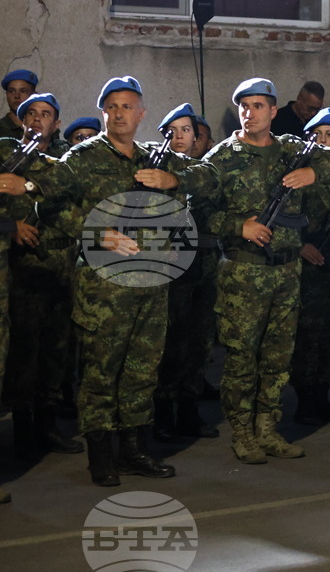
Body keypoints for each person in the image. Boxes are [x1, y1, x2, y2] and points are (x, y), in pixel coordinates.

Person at [63, 76, 217, 486]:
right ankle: (101, 456)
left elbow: (212, 178)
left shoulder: (155, 158)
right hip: (104, 289)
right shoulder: (81, 158)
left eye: (127, 107)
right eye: (111, 107)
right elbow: (48, 207)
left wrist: (173, 180)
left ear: (142, 114)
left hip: (150, 285)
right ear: (103, 113)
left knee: (142, 370)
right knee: (101, 371)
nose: (118, 114)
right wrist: (95, 233)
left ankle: (134, 450)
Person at [205, 78, 330, 463]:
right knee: (241, 358)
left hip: (286, 272)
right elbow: (197, 210)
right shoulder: (222, 157)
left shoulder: (293, 151)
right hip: (243, 273)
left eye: (258, 106)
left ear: (273, 111)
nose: (250, 113)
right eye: (244, 106)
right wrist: (239, 226)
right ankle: (243, 433)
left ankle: (268, 429)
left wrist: (313, 174)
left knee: (278, 357)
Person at [2, 93, 83, 460]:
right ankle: (21, 430)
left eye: (45, 114)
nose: (37, 119)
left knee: (55, 352)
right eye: (30, 114)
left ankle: (46, 426)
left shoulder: (60, 166)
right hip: (20, 273)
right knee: (22, 354)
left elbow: (73, 202)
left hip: (60, 271)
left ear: (56, 123)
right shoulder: (5, 154)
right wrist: (9, 227)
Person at [153, 103, 221, 443]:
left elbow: (207, 184)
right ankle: (163, 413)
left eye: (186, 131)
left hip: (205, 266)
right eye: (173, 131)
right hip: (170, 270)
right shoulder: (153, 170)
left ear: (197, 137)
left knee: (200, 343)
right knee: (171, 344)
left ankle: (189, 412)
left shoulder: (203, 171)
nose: (180, 137)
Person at [290, 107, 330, 426]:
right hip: (309, 256)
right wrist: (301, 244)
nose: (325, 140)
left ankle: (323, 397)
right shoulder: (299, 170)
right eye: (318, 135)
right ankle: (304, 401)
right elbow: (285, 214)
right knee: (308, 334)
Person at [1, 70, 39, 139]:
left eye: (23, 91)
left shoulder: (42, 129)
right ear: (7, 95)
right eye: (12, 91)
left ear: (34, 95)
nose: (16, 96)